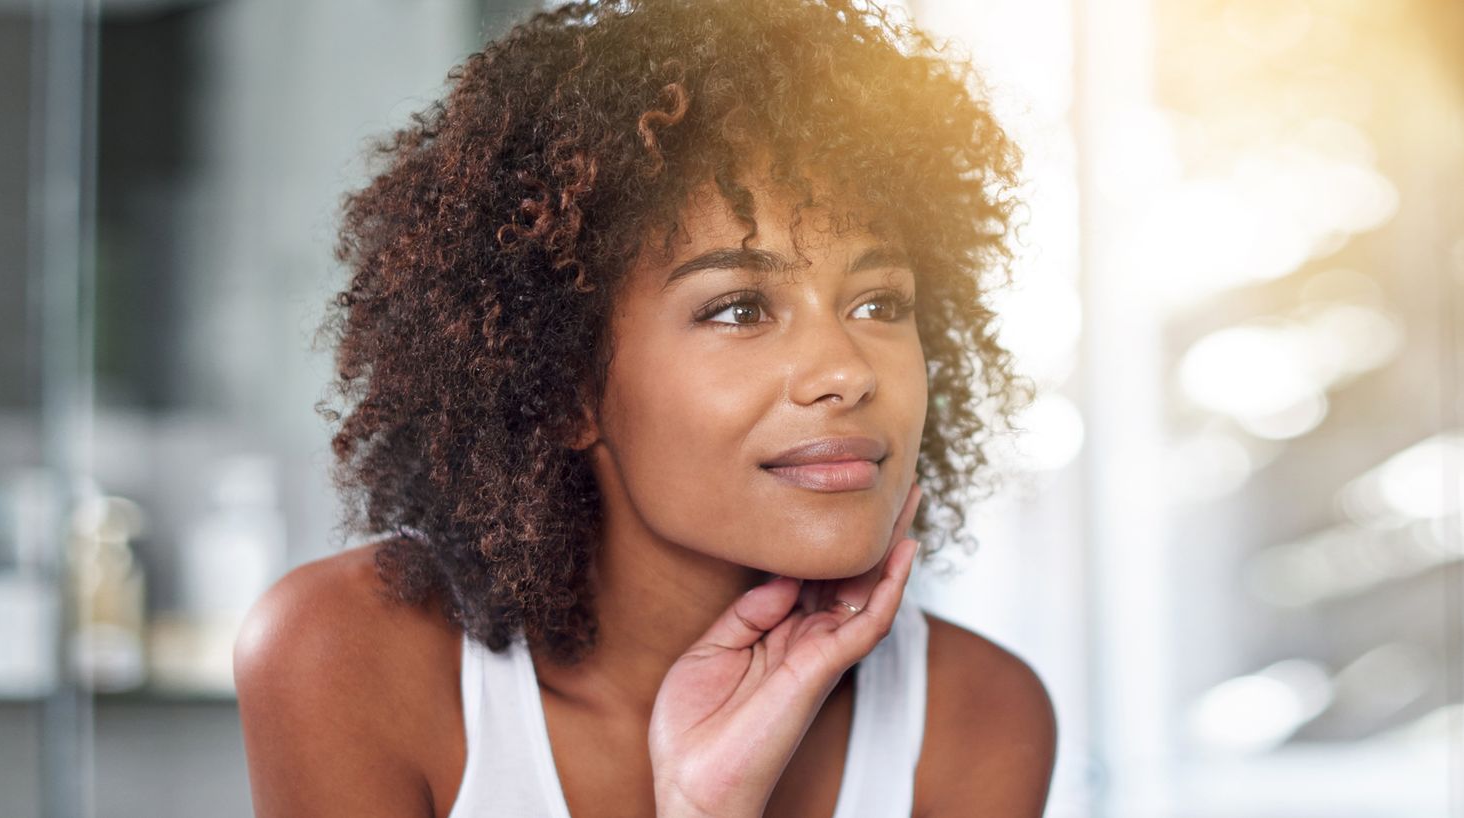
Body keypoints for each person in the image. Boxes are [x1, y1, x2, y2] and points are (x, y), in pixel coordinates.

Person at [232, 0, 1057, 816]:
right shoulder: (348, 659)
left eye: (879, 303)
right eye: (737, 308)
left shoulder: (975, 718)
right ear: (563, 385)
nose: (846, 371)